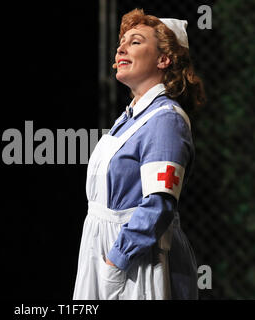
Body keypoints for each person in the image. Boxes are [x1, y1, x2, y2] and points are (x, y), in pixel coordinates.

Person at [73, 8, 205, 300]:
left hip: (139, 263)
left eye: (135, 41)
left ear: (163, 59)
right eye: (121, 41)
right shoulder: (130, 118)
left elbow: (158, 205)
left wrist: (115, 259)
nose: (120, 47)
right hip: (105, 250)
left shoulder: (165, 119)